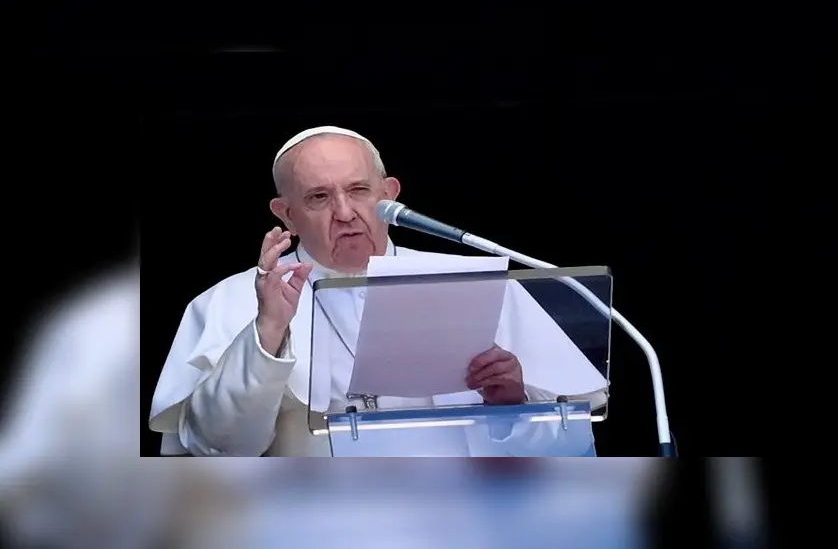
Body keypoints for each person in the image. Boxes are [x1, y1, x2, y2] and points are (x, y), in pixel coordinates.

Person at [148, 126, 608, 457]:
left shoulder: (474, 281)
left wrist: (515, 405)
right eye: (319, 197)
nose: (346, 212)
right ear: (285, 213)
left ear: (389, 193)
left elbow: (573, 444)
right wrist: (267, 333)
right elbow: (218, 450)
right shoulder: (228, 300)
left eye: (359, 190)